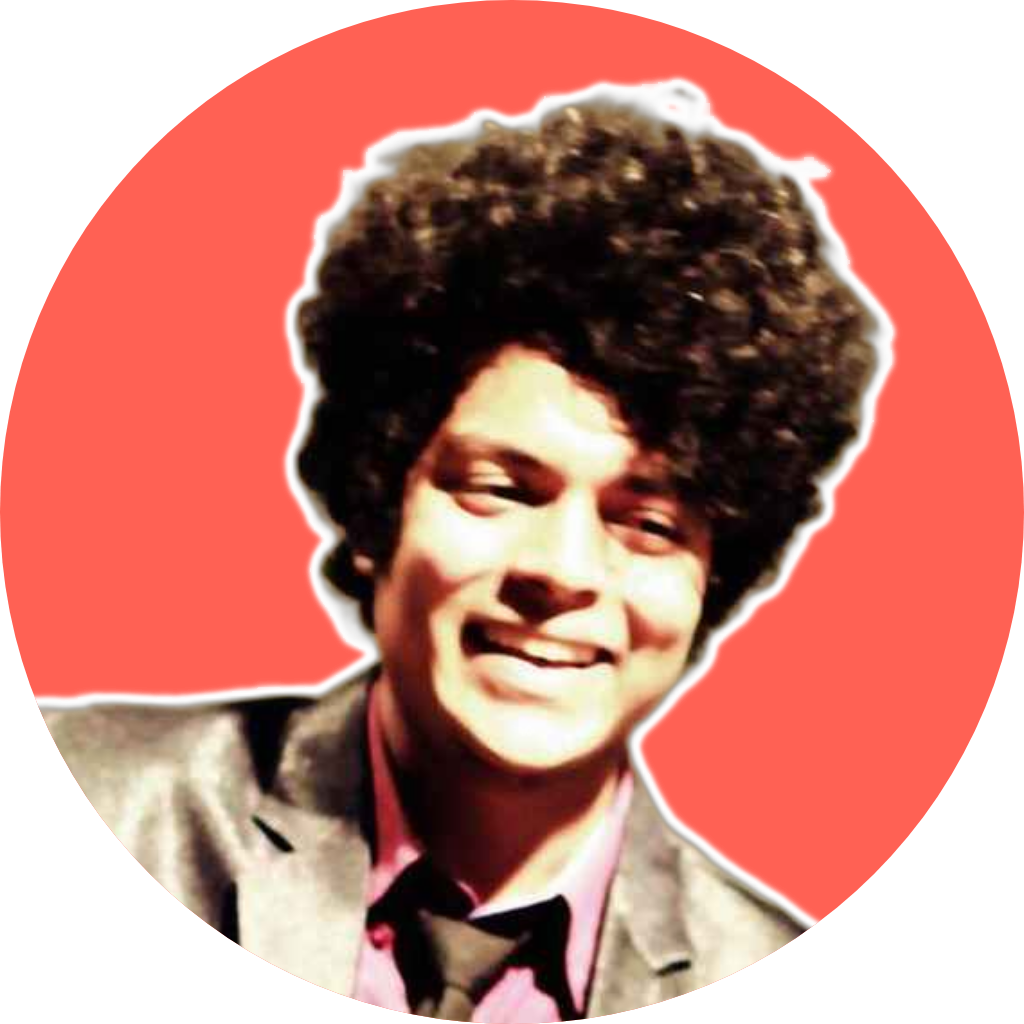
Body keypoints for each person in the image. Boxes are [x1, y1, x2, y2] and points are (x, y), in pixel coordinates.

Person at [41, 85, 880, 1016]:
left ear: (709, 582)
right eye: (499, 489)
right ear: (377, 507)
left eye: (647, 525)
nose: (563, 570)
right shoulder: (108, 803)